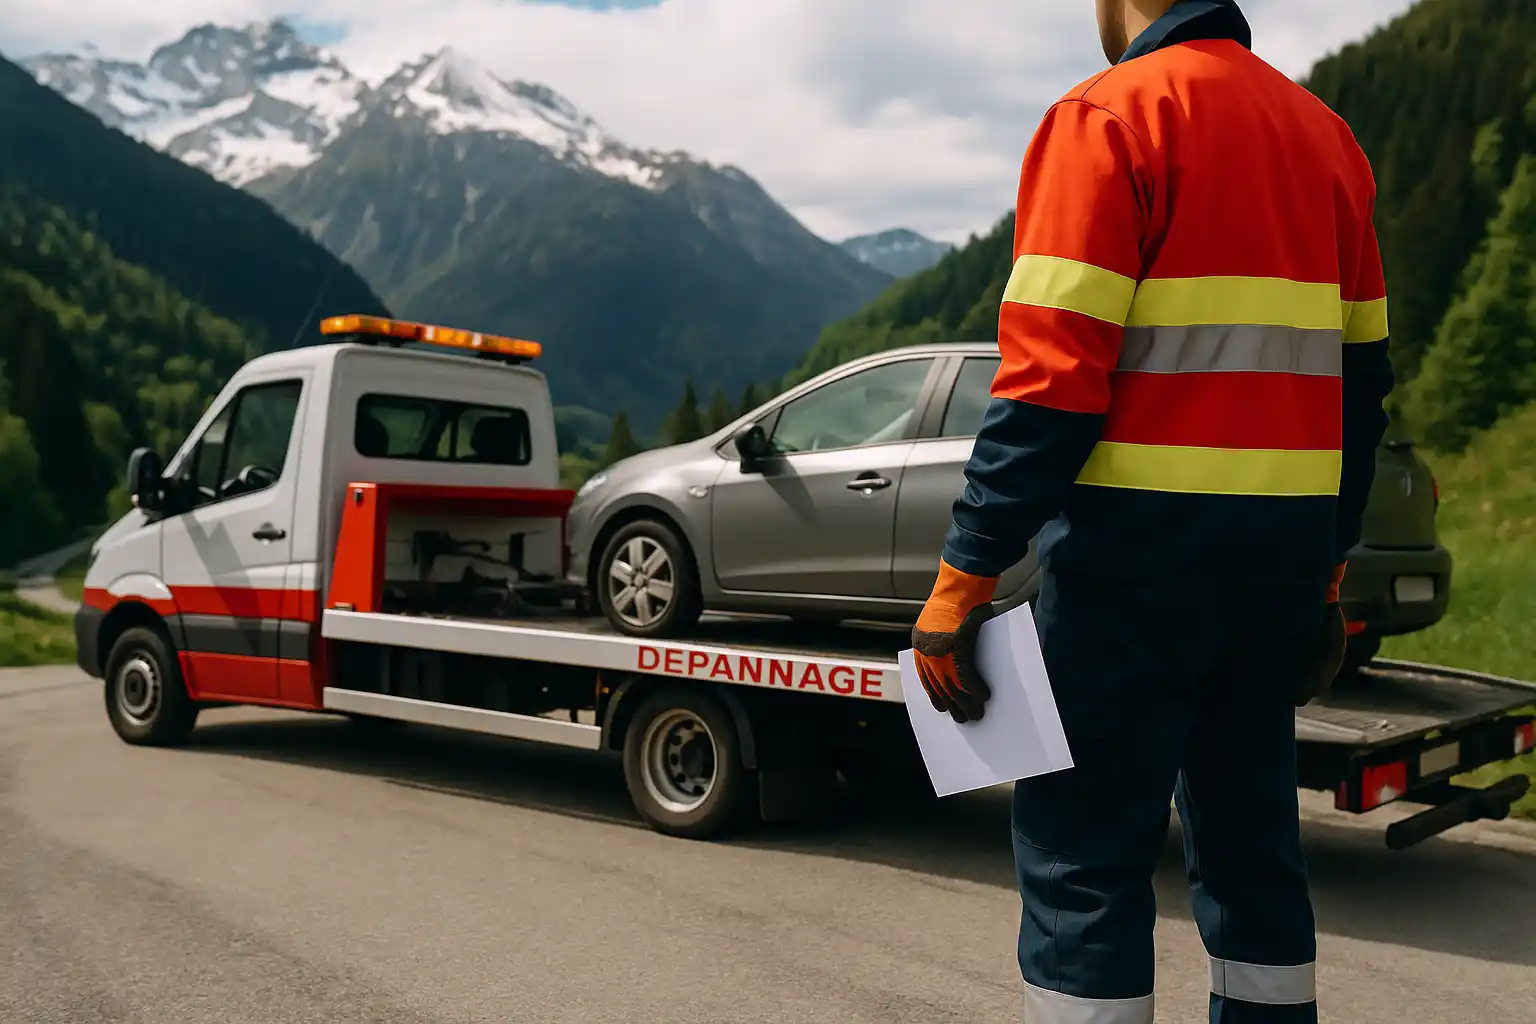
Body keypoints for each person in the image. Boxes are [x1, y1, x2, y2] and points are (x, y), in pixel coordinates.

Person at [909, 1, 1394, 1021]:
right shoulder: (1328, 140)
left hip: (1132, 571)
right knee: (1255, 859)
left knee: (1084, 863)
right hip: (1277, 577)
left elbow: (1049, 384)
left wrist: (964, 578)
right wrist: (1328, 569)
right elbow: (1364, 387)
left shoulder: (1109, 116)